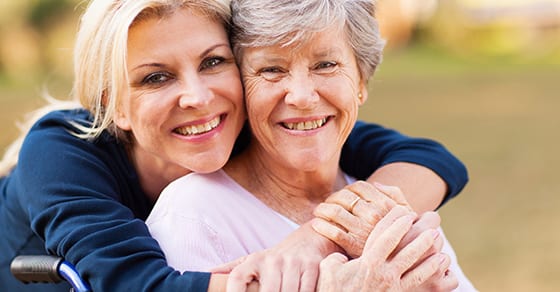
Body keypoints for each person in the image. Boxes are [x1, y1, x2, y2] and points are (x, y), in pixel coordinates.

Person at [0, 0, 467, 291]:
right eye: (155, 77)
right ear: (114, 106)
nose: (198, 98)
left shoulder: (239, 122)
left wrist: (316, 239)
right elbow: (129, 282)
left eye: (213, 62)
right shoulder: (59, 152)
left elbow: (430, 159)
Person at [147, 0, 476, 291]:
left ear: (361, 82)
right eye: (272, 69)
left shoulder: (385, 200)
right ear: (241, 88)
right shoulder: (193, 216)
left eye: (326, 65)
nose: (302, 97)